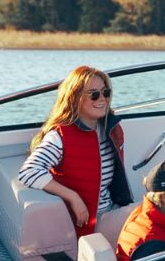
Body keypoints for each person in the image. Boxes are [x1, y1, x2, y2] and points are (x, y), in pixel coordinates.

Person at [17, 65, 132, 237]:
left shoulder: (111, 129)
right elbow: (28, 172)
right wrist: (73, 197)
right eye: (94, 94)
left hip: (112, 210)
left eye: (105, 92)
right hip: (90, 222)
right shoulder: (60, 137)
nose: (102, 99)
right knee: (155, 215)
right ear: (75, 98)